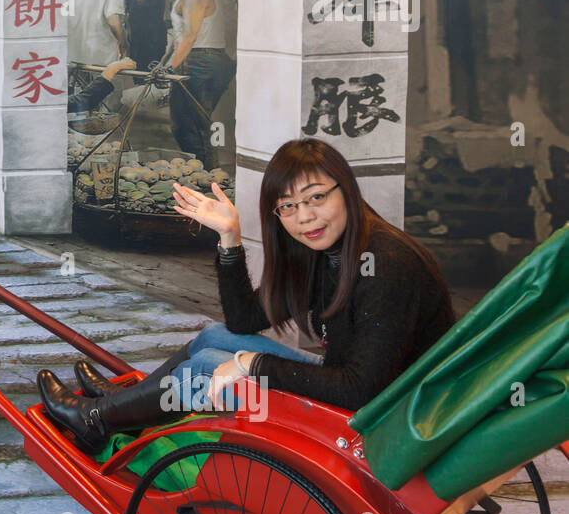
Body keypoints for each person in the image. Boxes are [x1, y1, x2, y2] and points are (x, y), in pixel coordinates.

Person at [37, 138, 456, 453]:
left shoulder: (386, 263)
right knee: (214, 339)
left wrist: (253, 365)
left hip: (381, 419)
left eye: (316, 198)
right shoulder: (325, 250)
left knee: (203, 369)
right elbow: (242, 322)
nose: (304, 216)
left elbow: (360, 390)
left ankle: (96, 422)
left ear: (346, 189)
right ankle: (122, 405)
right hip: (353, 392)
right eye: (287, 206)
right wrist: (229, 238)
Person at [153, 0, 236, 169]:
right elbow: (178, 37)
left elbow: (190, 36)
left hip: (202, 60)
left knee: (195, 126)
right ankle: (201, 171)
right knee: (183, 125)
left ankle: (207, 176)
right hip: (198, 59)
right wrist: (164, 64)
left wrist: (170, 68)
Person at [68, 0, 126, 84]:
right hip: (102, 60)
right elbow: (114, 23)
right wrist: (123, 46)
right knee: (107, 99)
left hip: (75, 59)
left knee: (80, 96)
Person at [124, 0, 167, 71]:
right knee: (137, 70)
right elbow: (128, 15)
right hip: (137, 40)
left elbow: (150, 12)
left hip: (154, 39)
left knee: (153, 69)